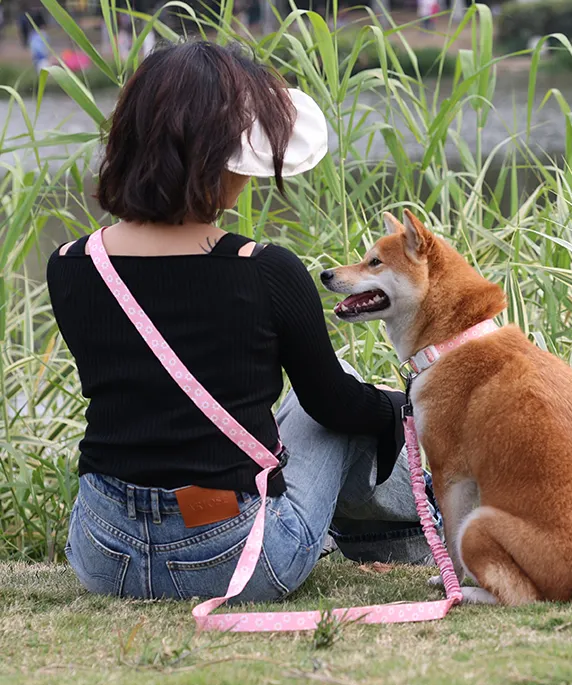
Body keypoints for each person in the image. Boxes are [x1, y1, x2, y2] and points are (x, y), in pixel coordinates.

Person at [47, 42, 434, 603]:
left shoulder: (70, 265)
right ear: (215, 159)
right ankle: (417, 528)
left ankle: (396, 530)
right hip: (232, 552)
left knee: (320, 406)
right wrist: (401, 409)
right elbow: (333, 407)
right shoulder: (266, 270)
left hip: (105, 554)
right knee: (335, 397)